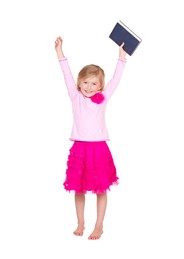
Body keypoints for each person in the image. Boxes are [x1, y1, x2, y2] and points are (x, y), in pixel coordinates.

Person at [55, 36, 127, 240]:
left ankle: (99, 225)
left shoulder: (103, 97)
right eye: (85, 82)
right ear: (79, 83)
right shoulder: (75, 96)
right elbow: (66, 74)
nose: (88, 86)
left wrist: (121, 58)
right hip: (80, 149)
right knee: (78, 188)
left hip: (98, 149)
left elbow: (116, 80)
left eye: (94, 83)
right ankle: (80, 222)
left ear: (100, 86)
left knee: (101, 188)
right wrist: (60, 53)